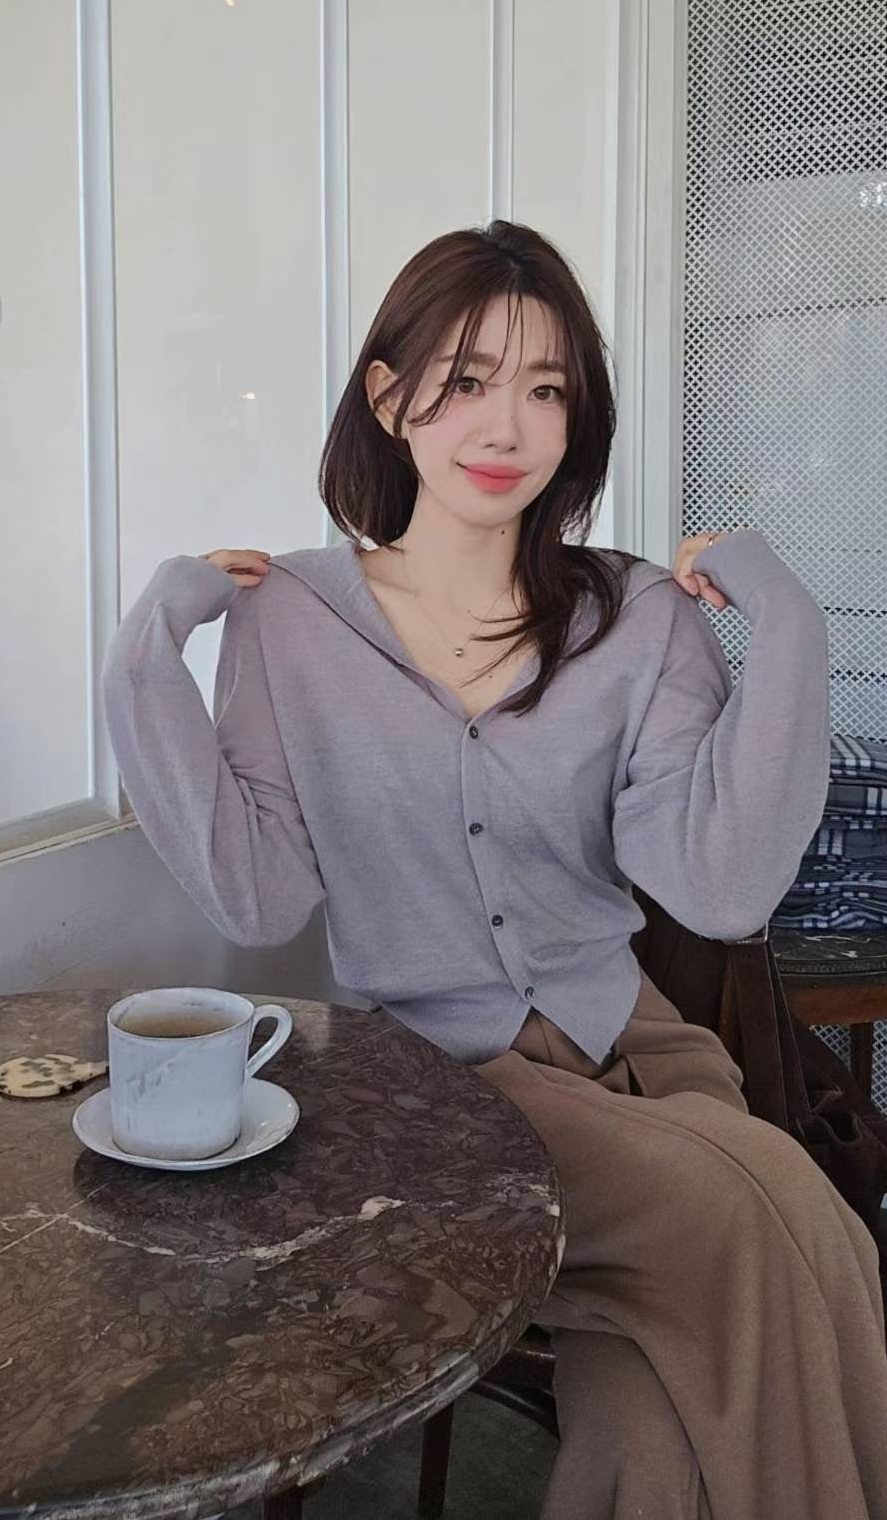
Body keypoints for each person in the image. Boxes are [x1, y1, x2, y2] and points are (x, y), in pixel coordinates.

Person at [102, 219, 887, 1518]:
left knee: (654, 1403)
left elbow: (722, 885)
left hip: (643, 1050)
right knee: (771, 1216)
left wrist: (788, 620)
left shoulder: (636, 617)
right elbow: (259, 892)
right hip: (444, 1100)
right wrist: (148, 652)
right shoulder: (287, 622)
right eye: (467, 379)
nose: (507, 425)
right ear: (387, 396)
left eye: (546, 388)